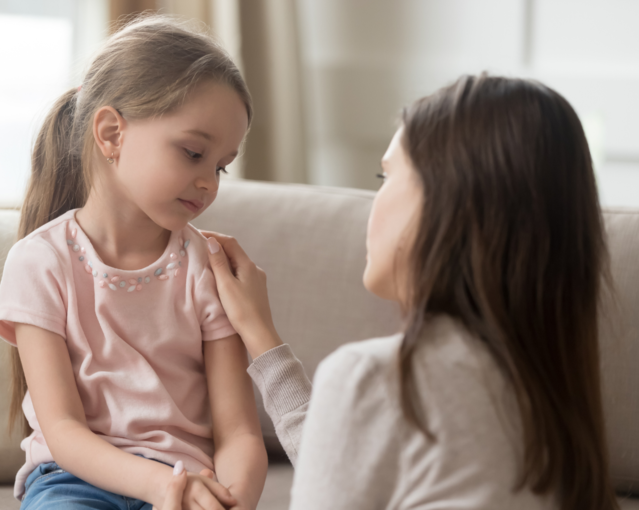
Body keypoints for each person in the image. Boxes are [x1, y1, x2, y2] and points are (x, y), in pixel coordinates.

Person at [200, 75, 620, 509]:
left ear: (450, 201)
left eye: (387, 175)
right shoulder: (554, 398)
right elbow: (352, 467)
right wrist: (260, 335)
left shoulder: (375, 378)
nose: (373, 201)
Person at [0, 14, 266, 510]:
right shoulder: (39, 262)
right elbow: (64, 430)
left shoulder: (208, 266)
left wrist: (234, 500)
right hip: (71, 480)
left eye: (221, 165)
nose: (210, 183)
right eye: (193, 152)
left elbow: (240, 431)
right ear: (112, 133)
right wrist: (158, 486)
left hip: (188, 481)